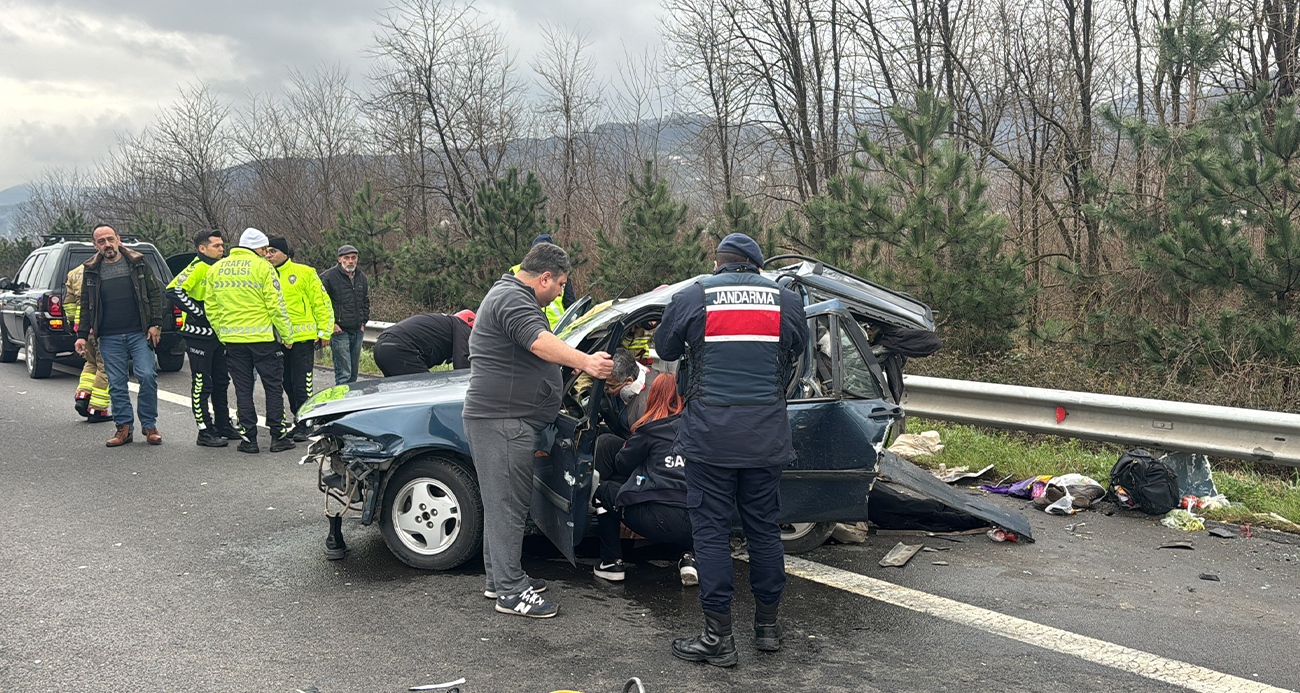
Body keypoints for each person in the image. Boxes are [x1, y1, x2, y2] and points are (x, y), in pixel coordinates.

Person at [656, 232, 809, 668]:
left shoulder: (695, 294)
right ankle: (767, 629)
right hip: (766, 437)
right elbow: (798, 350)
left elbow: (665, 348)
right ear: (756, 265)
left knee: (710, 534)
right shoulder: (785, 300)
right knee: (764, 531)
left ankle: (718, 638)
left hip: (710, 439)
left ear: (720, 262)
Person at [463, 241, 613, 619]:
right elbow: (539, 342)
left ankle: (500, 580)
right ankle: (512, 593)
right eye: (560, 284)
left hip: (503, 419)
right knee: (509, 507)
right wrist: (586, 362)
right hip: (503, 422)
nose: (561, 291)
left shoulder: (509, 295)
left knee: (502, 504)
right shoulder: (513, 299)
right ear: (544, 277)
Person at [592, 371, 697, 586]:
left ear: (653, 396)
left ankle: (612, 563)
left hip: (657, 520)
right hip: (699, 522)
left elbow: (622, 464)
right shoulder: (701, 430)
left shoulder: (649, 430)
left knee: (604, 492)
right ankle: (690, 558)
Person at [205, 228, 296, 454]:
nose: (266, 254)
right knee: (273, 387)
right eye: (264, 249)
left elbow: (211, 307)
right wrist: (287, 335)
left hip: (233, 341)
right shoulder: (263, 268)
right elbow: (276, 305)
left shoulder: (216, 269)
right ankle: (278, 436)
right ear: (257, 248)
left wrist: (222, 333)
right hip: (263, 339)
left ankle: (249, 439)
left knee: (243, 389)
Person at [74, 224, 165, 447]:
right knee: (116, 383)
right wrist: (82, 335)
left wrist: (155, 324)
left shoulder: (138, 262)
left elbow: (154, 294)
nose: (107, 244)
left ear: (118, 239)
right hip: (108, 337)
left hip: (139, 334)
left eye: (110, 239)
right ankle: (124, 428)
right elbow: (86, 304)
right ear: (95, 245)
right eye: (101, 241)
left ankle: (149, 426)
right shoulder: (91, 269)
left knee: (146, 375)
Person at [167, 229, 240, 447]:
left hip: (220, 334)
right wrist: (200, 313)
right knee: (201, 383)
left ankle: (223, 424)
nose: (221, 249)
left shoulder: (221, 266)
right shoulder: (197, 267)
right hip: (199, 336)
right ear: (202, 248)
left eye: (222, 245)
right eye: (216, 246)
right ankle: (204, 430)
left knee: (221, 381)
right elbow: (174, 290)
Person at [264, 237, 334, 441]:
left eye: (273, 251)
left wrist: (325, 331)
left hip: (302, 339)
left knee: (301, 384)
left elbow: (321, 303)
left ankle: (306, 423)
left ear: (285, 253)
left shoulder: (305, 273)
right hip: (277, 339)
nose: (269, 255)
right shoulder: (265, 274)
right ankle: (299, 417)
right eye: (266, 251)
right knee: (286, 383)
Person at [63, 264, 112, 423]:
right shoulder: (103, 270)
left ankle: (83, 396)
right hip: (99, 327)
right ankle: (97, 409)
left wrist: (74, 325)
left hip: (82, 328)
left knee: (91, 363)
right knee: (105, 367)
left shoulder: (74, 273)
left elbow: (69, 303)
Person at [320, 244, 369, 385]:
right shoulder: (328, 277)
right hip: (339, 331)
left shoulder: (361, 277)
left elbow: (365, 301)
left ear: (357, 259)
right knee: (344, 374)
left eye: (353, 258)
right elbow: (320, 303)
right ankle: (341, 405)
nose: (350, 261)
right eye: (346, 258)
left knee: (354, 374)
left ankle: (352, 403)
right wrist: (332, 324)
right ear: (339, 259)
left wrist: (363, 322)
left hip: (357, 330)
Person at [373, 309, 474, 377]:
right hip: (400, 349)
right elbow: (462, 364)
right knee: (424, 393)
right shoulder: (462, 326)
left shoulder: (444, 322)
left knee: (398, 395)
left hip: (381, 346)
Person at [510, 234, 575, 329]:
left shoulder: (561, 275)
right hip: (535, 330)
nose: (560, 293)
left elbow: (571, 303)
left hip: (559, 330)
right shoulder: (515, 274)